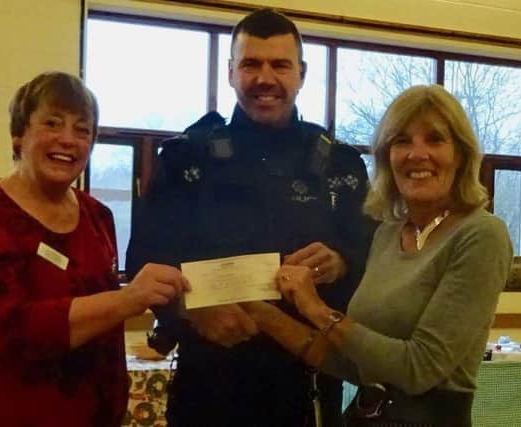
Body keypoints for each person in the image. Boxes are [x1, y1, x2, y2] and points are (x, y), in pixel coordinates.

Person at [125, 8, 374, 427]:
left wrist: (342, 260)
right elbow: (145, 262)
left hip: (309, 381)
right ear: (230, 72)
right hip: (212, 382)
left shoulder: (342, 167)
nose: (265, 78)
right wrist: (191, 311)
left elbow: (375, 261)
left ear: (302, 73)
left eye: (280, 65)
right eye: (250, 64)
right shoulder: (188, 159)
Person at [0, 71, 189, 427]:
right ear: (18, 136)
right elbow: (6, 331)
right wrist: (129, 299)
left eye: (83, 130)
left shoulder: (98, 216)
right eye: (53, 123)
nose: (68, 139)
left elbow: (101, 322)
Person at [243, 84, 513, 427]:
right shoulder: (387, 233)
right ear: (386, 156)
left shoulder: (482, 234)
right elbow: (351, 364)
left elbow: (419, 369)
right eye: (402, 141)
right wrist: (256, 308)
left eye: (435, 139)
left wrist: (316, 308)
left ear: (461, 155)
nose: (417, 154)